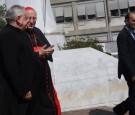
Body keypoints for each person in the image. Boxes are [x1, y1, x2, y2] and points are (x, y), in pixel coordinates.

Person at [0, 5, 40, 115]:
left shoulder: (20, 33)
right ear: (18, 19)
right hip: (18, 93)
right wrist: (23, 90)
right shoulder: (7, 35)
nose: (29, 21)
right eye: (26, 18)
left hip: (29, 90)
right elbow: (11, 66)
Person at [24, 7, 61, 115]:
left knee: (47, 101)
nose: (32, 21)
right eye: (29, 18)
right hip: (30, 77)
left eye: (34, 18)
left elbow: (47, 47)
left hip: (44, 76)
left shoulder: (37, 31)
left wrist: (49, 51)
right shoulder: (20, 33)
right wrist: (37, 52)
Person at [113, 12, 135, 115]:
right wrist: (132, 74)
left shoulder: (133, 32)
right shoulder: (122, 35)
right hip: (130, 71)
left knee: (133, 95)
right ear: (126, 21)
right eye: (134, 20)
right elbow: (124, 56)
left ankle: (120, 109)